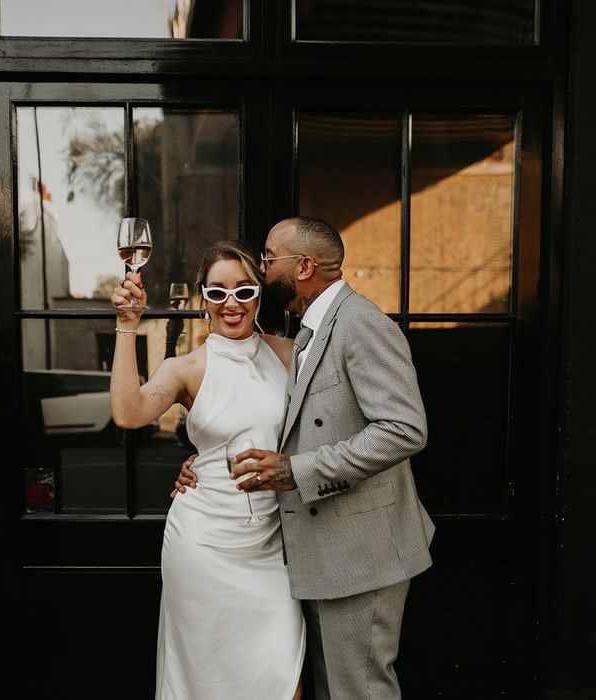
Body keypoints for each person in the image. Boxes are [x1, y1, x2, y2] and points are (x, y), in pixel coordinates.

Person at [175, 217, 434, 699]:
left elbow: (404, 429)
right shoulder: (309, 332)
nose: (263, 267)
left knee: (361, 691)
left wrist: (297, 470)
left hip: (363, 556)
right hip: (319, 556)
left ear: (304, 266)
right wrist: (203, 462)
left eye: (270, 259)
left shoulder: (360, 324)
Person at [110, 241, 305, 700]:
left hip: (272, 546)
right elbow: (128, 413)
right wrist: (126, 328)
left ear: (260, 294)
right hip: (203, 544)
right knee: (204, 680)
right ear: (203, 300)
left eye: (243, 290)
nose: (231, 304)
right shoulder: (187, 368)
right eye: (217, 293)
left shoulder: (292, 355)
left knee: (282, 678)